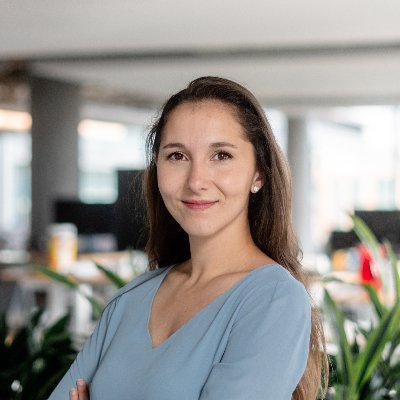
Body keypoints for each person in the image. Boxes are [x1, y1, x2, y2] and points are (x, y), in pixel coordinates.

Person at [49, 76, 328, 400]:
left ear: (259, 173)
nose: (196, 181)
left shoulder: (275, 300)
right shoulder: (130, 300)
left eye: (221, 155)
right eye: (177, 156)